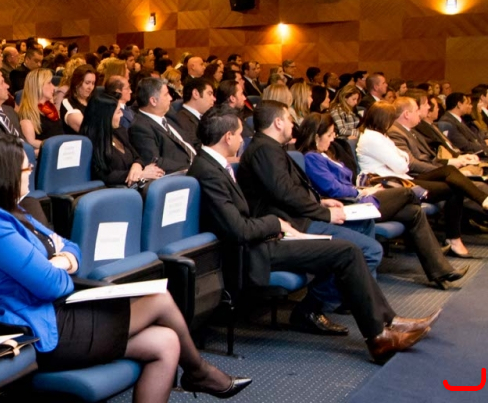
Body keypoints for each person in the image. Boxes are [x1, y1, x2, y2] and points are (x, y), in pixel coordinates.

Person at [0, 135, 251, 402]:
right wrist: (60, 266)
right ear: (4, 174)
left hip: (57, 311)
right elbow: (52, 286)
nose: (31, 173)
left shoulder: (17, 211)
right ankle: (199, 372)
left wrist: (61, 261)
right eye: (26, 169)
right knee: (160, 300)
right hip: (39, 328)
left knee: (166, 343)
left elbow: (72, 247)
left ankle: (199, 373)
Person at [188, 108, 439, 363]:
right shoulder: (208, 171)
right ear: (228, 137)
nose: (243, 139)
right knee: (348, 251)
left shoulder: (213, 166)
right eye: (240, 134)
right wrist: (276, 223)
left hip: (264, 239)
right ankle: (379, 335)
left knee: (349, 250)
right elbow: (238, 229)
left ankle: (387, 324)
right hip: (254, 250)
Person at [238, 100, 384, 320]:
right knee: (371, 251)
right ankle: (313, 308)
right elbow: (285, 194)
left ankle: (358, 298)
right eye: (289, 119)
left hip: (298, 217)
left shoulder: (271, 148)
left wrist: (321, 202)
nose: (293, 124)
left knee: (364, 225)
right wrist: (324, 213)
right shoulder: (264, 150)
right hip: (291, 224)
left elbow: (288, 190)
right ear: (278, 123)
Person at [296, 113, 467, 288]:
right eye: (329, 135)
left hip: (359, 198)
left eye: (334, 134)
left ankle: (441, 271)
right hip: (349, 204)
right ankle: (422, 203)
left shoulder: (324, 154)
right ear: (316, 137)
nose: (333, 139)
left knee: (413, 212)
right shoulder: (311, 158)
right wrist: (361, 191)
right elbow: (333, 188)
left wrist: (361, 190)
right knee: (407, 193)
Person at [357, 101, 488, 257]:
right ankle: (455, 239)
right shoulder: (372, 138)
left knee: (449, 171)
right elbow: (402, 165)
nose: (393, 123)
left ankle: (481, 202)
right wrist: (403, 158)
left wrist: (402, 158)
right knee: (454, 188)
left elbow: (402, 159)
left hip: (402, 178)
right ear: (383, 119)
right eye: (391, 118)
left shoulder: (380, 136)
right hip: (393, 183)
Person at [81, 92, 164, 186]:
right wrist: (140, 175)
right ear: (105, 117)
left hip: (134, 185)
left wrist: (136, 166)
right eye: (118, 112)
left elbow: (137, 157)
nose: (121, 115)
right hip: (115, 190)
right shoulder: (90, 143)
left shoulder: (119, 131)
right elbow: (103, 176)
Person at [129, 77, 196, 174]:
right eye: (166, 94)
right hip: (181, 174)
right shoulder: (140, 127)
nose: (171, 98)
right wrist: (192, 167)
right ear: (153, 101)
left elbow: (188, 141)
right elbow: (155, 161)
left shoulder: (169, 115)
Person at [17, 68, 64, 152]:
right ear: (38, 86)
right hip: (48, 153)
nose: (53, 87)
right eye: (49, 83)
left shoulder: (50, 108)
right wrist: (59, 147)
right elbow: (31, 142)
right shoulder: (27, 114)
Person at [61, 64, 96, 134]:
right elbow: (89, 131)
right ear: (76, 83)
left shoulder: (94, 100)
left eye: (93, 83)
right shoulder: (67, 103)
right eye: (87, 83)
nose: (91, 87)